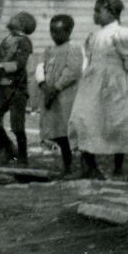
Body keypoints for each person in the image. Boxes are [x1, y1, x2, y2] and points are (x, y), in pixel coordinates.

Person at [68, 0, 128, 179]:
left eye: (99, 11)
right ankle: (91, 166)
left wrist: (123, 74)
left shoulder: (121, 34)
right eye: (94, 11)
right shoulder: (93, 36)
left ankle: (118, 168)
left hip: (114, 83)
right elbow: (88, 59)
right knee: (85, 118)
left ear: (111, 13)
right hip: (92, 83)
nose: (94, 14)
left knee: (117, 120)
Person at [0, 11, 37, 165]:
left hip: (16, 89)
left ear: (23, 25)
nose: (12, 19)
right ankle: (8, 146)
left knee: (17, 126)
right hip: (1, 87)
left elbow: (18, 65)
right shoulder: (7, 39)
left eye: (16, 18)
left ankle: (23, 158)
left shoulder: (25, 42)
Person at [36, 14, 85, 176]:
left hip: (66, 97)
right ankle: (67, 164)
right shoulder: (49, 50)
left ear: (68, 31)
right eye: (51, 31)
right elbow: (39, 68)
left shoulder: (74, 49)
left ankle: (84, 165)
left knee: (69, 130)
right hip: (50, 96)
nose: (54, 35)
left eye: (58, 31)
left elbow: (72, 71)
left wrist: (56, 88)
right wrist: (43, 85)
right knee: (58, 132)